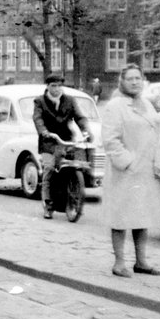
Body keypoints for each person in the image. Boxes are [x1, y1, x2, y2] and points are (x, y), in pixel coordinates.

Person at [100, 64, 160, 277]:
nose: (135, 82)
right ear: (122, 81)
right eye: (130, 79)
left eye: (138, 78)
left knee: (142, 214)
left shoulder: (147, 104)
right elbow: (110, 140)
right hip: (125, 171)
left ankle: (141, 261)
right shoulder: (115, 106)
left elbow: (155, 131)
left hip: (146, 170)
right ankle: (119, 262)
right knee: (120, 216)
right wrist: (127, 162)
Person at [33, 74, 94, 219]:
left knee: (75, 166)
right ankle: (48, 204)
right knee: (49, 169)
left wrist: (86, 131)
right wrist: (44, 132)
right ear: (47, 86)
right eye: (53, 85)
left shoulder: (70, 100)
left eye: (59, 85)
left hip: (66, 140)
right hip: (49, 141)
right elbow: (37, 118)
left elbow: (80, 117)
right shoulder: (40, 101)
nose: (57, 89)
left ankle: (74, 197)